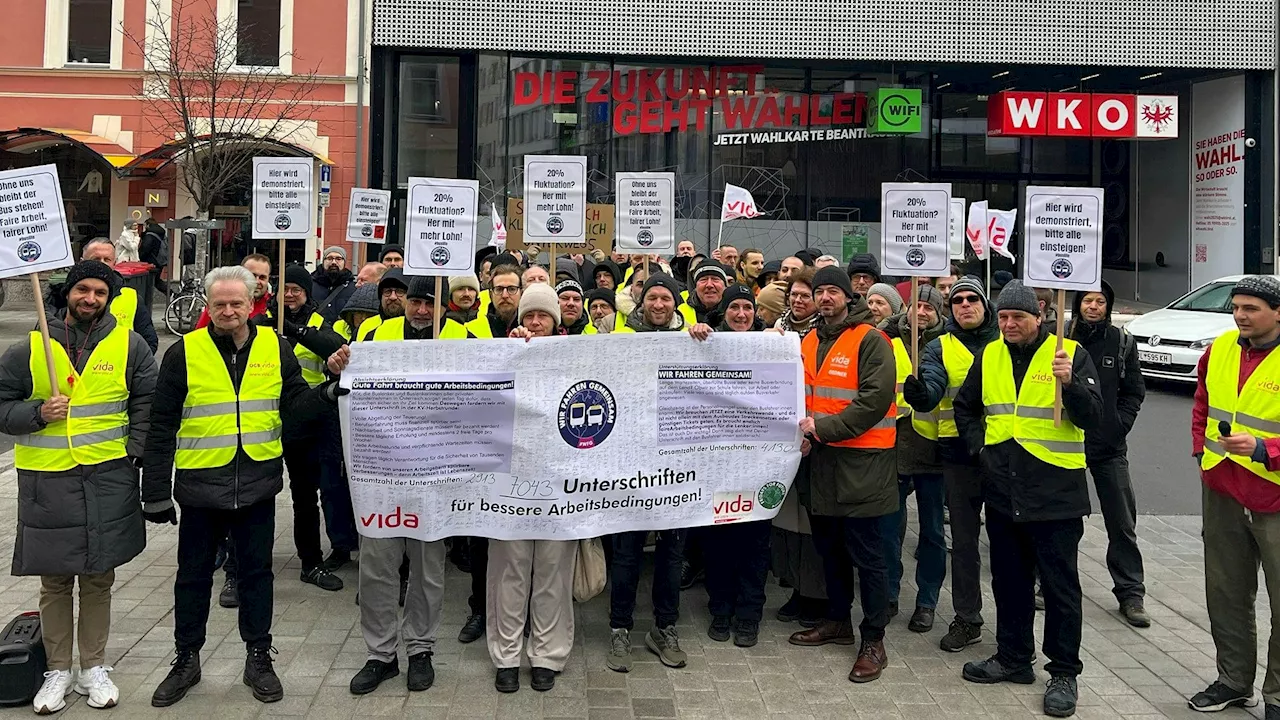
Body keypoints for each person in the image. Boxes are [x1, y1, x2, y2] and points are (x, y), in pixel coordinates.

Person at [144, 266, 339, 707]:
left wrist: (326, 394)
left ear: (253, 304)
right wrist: (154, 490)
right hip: (200, 486)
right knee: (192, 579)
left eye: (237, 303)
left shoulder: (274, 345)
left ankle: (258, 656)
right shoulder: (184, 352)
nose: (228, 311)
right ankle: (186, 659)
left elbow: (292, 406)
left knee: (257, 575)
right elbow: (161, 426)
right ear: (208, 307)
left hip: (256, 485)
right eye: (219, 304)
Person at [0, 260, 158, 713]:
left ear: (110, 299)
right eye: (82, 290)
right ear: (67, 293)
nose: (90, 299)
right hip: (48, 482)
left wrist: (135, 449)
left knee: (98, 577)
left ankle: (93, 666)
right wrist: (36, 414)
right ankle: (56, 670)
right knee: (54, 580)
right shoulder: (32, 347)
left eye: (100, 293)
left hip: (108, 477)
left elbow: (147, 398)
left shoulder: (129, 346)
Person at [952, 280, 1102, 718]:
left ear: (1039, 315)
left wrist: (1071, 384)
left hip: (1055, 492)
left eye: (1018, 317)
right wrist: (979, 448)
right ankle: (1014, 658)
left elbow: (1093, 417)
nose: (1009, 324)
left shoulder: (1069, 354)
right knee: (1009, 583)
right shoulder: (990, 354)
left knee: (1059, 589)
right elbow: (967, 407)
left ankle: (1063, 672)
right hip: (1003, 491)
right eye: (1003, 317)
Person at [332, 275, 448, 696]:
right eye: (415, 301)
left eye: (429, 303)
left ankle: (420, 648)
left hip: (434, 478)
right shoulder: (374, 335)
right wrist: (338, 368)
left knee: (427, 572)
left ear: (442, 306)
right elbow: (347, 387)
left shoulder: (462, 336)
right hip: (381, 474)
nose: (420, 309)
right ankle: (381, 654)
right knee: (377, 567)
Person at [788, 266, 897, 685]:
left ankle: (874, 640)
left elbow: (874, 399)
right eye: (820, 292)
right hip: (822, 465)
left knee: (868, 559)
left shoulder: (872, 340)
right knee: (829, 550)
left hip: (862, 465)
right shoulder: (810, 340)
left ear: (848, 297)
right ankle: (837, 621)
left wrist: (824, 430)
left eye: (834, 291)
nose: (826, 298)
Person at [1187, 276, 1280, 716]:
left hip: (1274, 495)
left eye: (1252, 308)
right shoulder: (1220, 348)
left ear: (1278, 312)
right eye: (1237, 307)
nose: (1240, 315)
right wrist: (1198, 451)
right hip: (1222, 487)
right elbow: (1203, 402)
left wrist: (1264, 449)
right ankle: (1233, 680)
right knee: (1225, 592)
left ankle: (1277, 695)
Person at [902, 276, 999, 652]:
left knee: (1007, 545)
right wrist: (921, 394)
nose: (964, 305)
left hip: (1005, 455)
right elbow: (931, 386)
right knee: (963, 543)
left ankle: (1011, 624)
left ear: (985, 305)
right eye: (957, 300)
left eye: (971, 298)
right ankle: (967, 618)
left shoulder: (1004, 341)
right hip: (957, 455)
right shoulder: (940, 346)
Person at [487, 285, 576, 693]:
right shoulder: (505, 350)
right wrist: (510, 352)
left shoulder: (577, 353)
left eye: (543, 316)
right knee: (510, 573)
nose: (535, 323)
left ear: (557, 322)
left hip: (560, 483)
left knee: (553, 574)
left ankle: (547, 654)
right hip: (510, 483)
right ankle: (506, 655)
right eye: (529, 316)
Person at [608, 274, 689, 673]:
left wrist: (703, 339)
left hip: (674, 465)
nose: (659, 304)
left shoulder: (690, 339)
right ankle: (619, 630)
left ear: (676, 304)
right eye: (652, 297)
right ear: (640, 302)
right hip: (630, 462)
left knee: (672, 553)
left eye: (666, 298)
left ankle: (664, 627)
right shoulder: (619, 338)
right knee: (626, 553)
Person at [1068, 280, 1149, 628]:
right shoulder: (1061, 341)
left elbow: (1134, 389)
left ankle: (1131, 593)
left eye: (1101, 301)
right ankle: (1047, 583)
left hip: (1109, 446)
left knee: (1121, 522)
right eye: (1088, 300)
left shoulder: (1121, 342)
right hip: (1066, 444)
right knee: (1062, 523)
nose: (1094, 307)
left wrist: (1120, 423)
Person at [697, 287, 771, 648]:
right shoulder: (706, 341)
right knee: (719, 543)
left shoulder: (770, 342)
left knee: (754, 544)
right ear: (723, 311)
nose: (741, 314)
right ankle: (720, 609)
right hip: (717, 465)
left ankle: (749, 615)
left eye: (747, 307)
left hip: (758, 463)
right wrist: (693, 337)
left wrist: (779, 342)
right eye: (734, 308)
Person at [276, 264, 354, 591]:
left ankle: (313, 562)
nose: (290, 294)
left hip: (314, 417)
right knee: (270, 496)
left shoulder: (324, 320)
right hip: (270, 417)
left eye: (297, 288)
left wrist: (296, 330)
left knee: (312, 494)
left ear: (307, 291)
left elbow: (335, 347)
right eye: (286, 288)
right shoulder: (264, 321)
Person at [881, 286, 948, 631]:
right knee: (890, 530)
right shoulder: (887, 340)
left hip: (934, 452)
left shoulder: (949, 344)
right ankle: (890, 594)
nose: (921, 312)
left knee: (933, 533)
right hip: (893, 448)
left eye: (929, 308)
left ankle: (927, 602)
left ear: (939, 313)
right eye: (916, 306)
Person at [771, 266, 827, 629]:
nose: (799, 300)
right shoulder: (776, 330)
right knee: (787, 520)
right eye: (794, 294)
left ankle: (816, 596)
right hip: (782, 437)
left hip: (817, 438)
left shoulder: (827, 334)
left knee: (811, 526)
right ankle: (795, 588)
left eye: (806, 295)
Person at [77, 238, 159, 353]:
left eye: (107, 259)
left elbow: (149, 343)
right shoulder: (68, 296)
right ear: (82, 261)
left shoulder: (131, 298)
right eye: (96, 259)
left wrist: (128, 366)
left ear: (114, 263)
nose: (102, 263)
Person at [195, 254, 273, 330]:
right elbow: (200, 336)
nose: (257, 281)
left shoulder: (275, 305)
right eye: (252, 276)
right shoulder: (219, 303)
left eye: (262, 277)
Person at [357, 269, 409, 341]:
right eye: (387, 292)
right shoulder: (366, 325)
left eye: (399, 292)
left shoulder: (418, 326)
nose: (392, 297)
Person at [311, 246, 356, 323]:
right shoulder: (310, 284)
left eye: (338, 259)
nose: (334, 262)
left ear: (344, 262)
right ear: (323, 261)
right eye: (329, 258)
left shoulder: (353, 287)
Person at [682, 261, 729, 326]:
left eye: (715, 279)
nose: (709, 285)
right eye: (703, 279)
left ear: (725, 285)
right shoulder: (680, 312)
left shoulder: (737, 310)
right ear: (696, 286)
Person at [485, 263, 523, 338]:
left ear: (521, 293)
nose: (505, 295)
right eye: (499, 289)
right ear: (490, 295)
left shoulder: (530, 325)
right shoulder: (478, 326)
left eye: (512, 289)